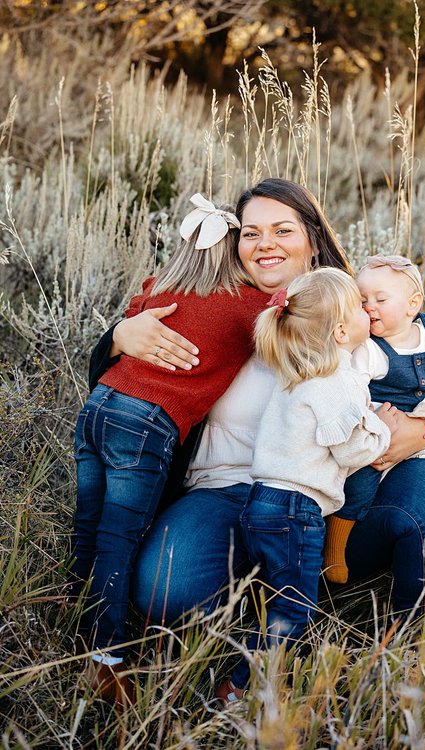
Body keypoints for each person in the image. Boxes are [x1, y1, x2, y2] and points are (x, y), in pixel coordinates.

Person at [86, 178, 425, 635]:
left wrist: (422, 430)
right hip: (226, 489)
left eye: (283, 230)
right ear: (235, 243)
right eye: (251, 233)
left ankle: (408, 638)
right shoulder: (213, 305)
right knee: (164, 589)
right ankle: (271, 589)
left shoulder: (349, 303)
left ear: (312, 238)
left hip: (327, 496)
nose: (265, 244)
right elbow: (125, 392)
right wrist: (115, 340)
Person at [71, 194, 270, 706]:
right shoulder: (250, 306)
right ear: (235, 250)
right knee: (119, 538)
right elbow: (291, 315)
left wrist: (121, 331)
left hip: (98, 407)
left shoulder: (159, 288)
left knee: (89, 524)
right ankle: (105, 658)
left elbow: (138, 312)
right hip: (145, 425)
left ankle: (69, 616)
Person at [215, 268, 395, 706]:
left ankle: (262, 678)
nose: (366, 312)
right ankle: (239, 689)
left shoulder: (298, 375)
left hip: (262, 503)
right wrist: (382, 429)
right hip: (296, 510)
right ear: (339, 330)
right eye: (357, 307)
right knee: (295, 609)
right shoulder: (332, 382)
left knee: (273, 598)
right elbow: (354, 453)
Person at [324, 254, 425, 584]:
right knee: (359, 482)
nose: (369, 307)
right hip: (374, 431)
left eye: (380, 300)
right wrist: (373, 423)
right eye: (362, 300)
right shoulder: (370, 349)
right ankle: (334, 549)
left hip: (416, 429)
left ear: (412, 304)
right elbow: (352, 391)